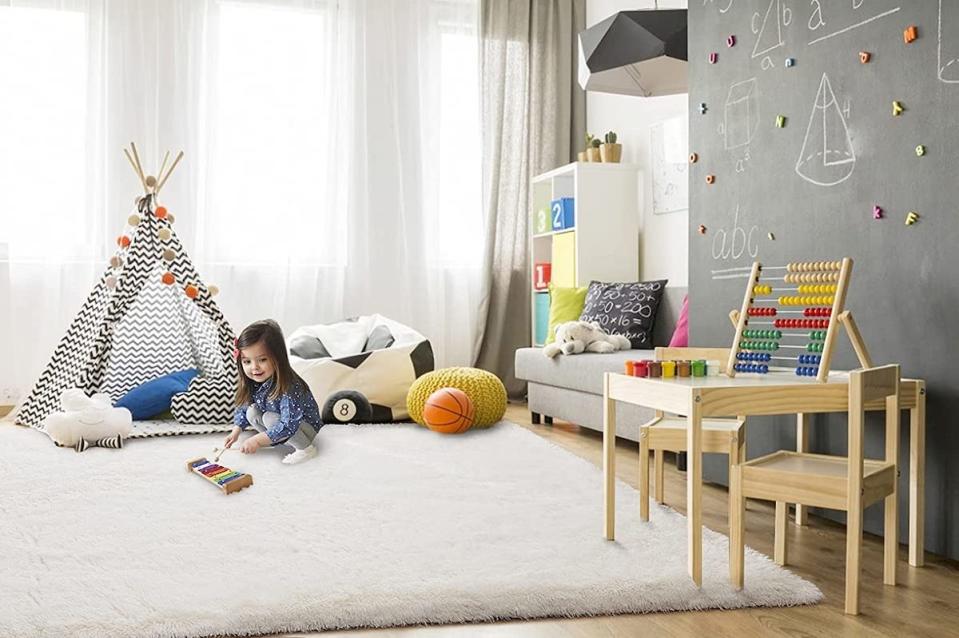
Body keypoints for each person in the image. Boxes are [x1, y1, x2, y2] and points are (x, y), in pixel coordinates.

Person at [223, 319, 323, 464]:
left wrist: (257, 440)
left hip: (306, 430)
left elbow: (289, 423)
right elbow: (244, 408)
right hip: (283, 428)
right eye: (247, 362)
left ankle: (306, 449)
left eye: (262, 360)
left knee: (269, 418)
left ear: (277, 358)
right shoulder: (255, 381)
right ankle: (275, 440)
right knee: (252, 411)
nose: (254, 367)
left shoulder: (289, 385)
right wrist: (235, 431)